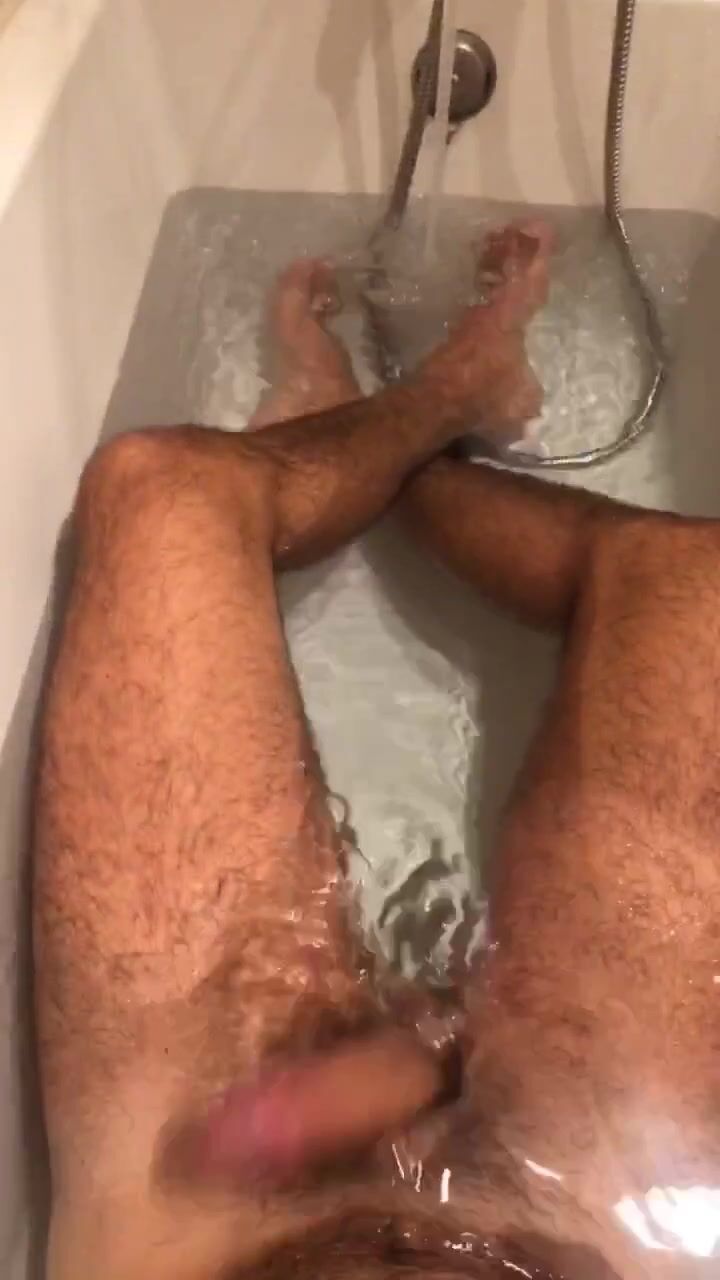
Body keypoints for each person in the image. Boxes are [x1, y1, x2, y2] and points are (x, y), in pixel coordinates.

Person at [33, 222, 720, 1280]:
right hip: (602, 1228)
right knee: (695, 588)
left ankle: (385, 431)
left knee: (163, 489)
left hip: (199, 1227)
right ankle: (431, 420)